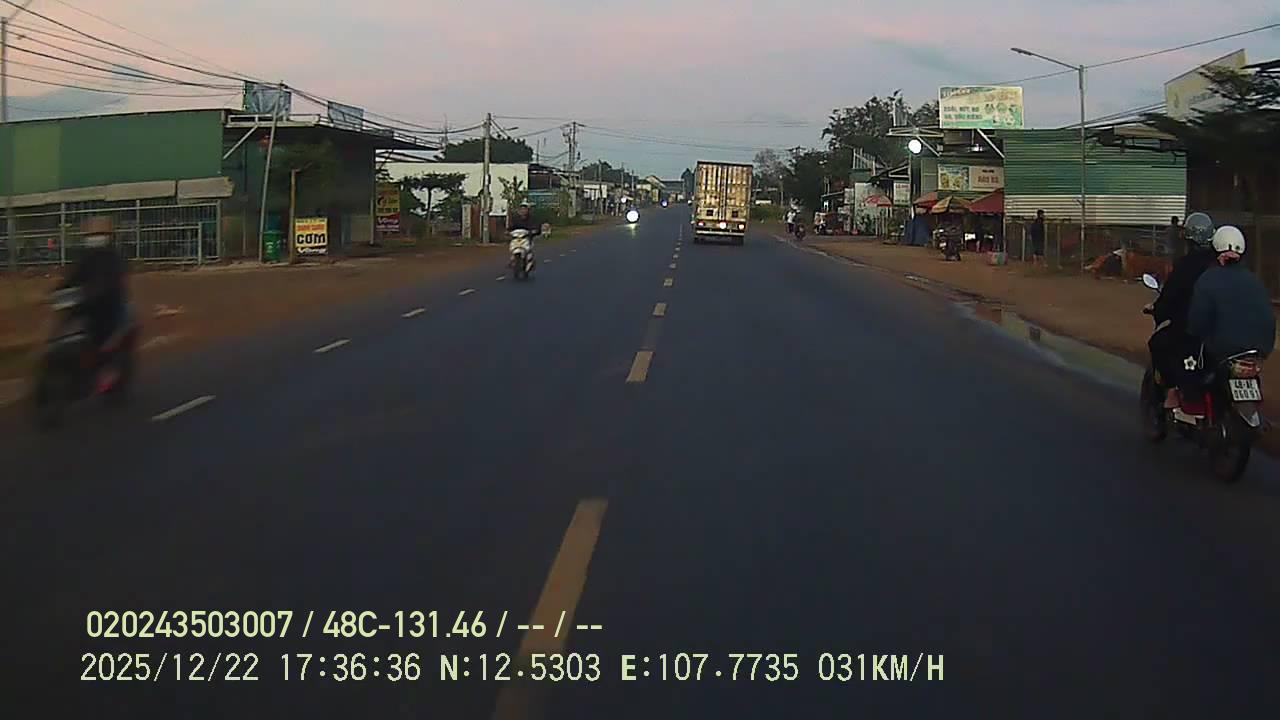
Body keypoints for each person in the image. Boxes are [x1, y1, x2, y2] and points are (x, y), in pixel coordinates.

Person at [1146, 212, 1218, 408]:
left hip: (1190, 331)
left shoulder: (1185, 266)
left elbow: (1169, 298)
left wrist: (1158, 310)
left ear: (1188, 238)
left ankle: (1173, 390)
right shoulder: (1219, 265)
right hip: (1220, 331)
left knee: (1158, 343)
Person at [1187, 225, 1276, 366]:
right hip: (1259, 352)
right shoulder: (1255, 280)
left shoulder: (1208, 279)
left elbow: (1197, 323)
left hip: (1223, 353)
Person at [60, 215, 128, 355]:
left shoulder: (114, 258)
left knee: (111, 341)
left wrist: (95, 291)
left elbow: (112, 283)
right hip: (86, 306)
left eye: (99, 234)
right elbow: (72, 279)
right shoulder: (84, 258)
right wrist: (58, 292)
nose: (95, 237)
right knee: (64, 329)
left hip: (109, 309)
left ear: (109, 236)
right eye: (92, 235)